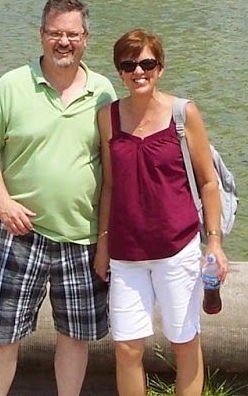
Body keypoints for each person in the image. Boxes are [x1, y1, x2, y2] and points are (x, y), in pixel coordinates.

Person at [0, 0, 115, 396]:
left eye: (72, 34)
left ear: (86, 38)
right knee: (4, 335)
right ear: (41, 35)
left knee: (75, 336)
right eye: (55, 33)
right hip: (20, 234)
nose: (63, 42)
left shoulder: (104, 92)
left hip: (82, 237)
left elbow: (113, 171)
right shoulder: (11, 85)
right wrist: (1, 202)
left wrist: (105, 240)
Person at [94, 29, 227, 396]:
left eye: (147, 63)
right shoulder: (107, 116)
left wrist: (214, 242)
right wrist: (103, 246)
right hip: (125, 253)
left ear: (160, 68)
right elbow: (110, 185)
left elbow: (208, 183)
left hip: (177, 250)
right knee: (126, 348)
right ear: (119, 72)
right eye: (129, 64)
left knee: (184, 344)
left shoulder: (184, 114)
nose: (139, 71)